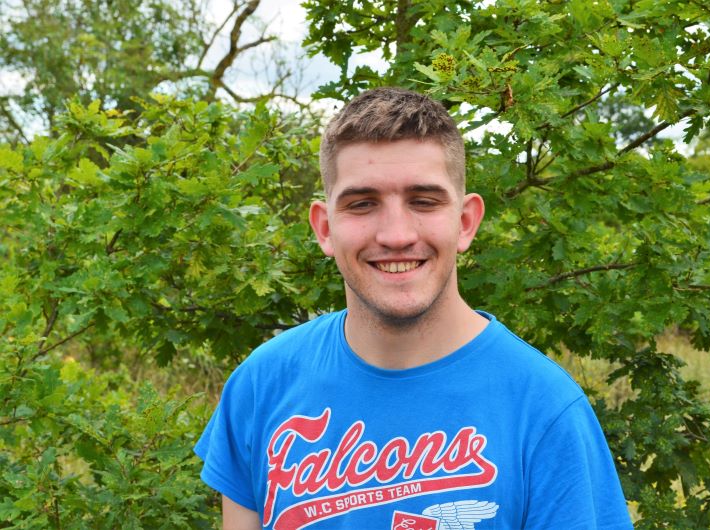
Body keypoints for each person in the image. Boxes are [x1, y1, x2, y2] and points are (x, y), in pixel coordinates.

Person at [195, 87, 633, 530]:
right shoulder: (262, 384)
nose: (397, 234)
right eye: (362, 203)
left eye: (423, 201)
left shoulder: (544, 411)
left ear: (465, 222)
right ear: (325, 229)